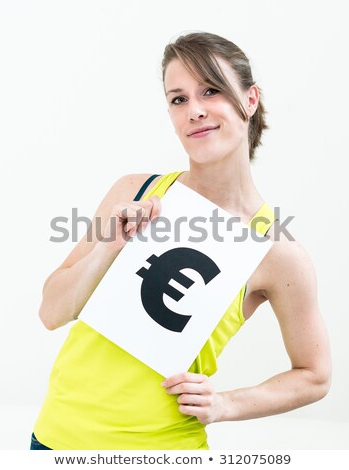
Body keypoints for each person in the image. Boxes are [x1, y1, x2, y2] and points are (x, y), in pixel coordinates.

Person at [30, 31, 332, 450]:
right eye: (178, 99)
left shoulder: (275, 251)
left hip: (164, 450)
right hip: (55, 440)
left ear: (249, 99)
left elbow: (314, 375)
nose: (195, 111)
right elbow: (51, 312)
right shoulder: (133, 193)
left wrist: (226, 404)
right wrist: (109, 248)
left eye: (211, 90)